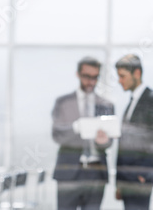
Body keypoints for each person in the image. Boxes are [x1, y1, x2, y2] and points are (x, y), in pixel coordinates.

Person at [52, 56, 114, 210]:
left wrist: (103, 141)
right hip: (68, 172)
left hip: (96, 173)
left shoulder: (106, 105)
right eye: (87, 77)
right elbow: (56, 134)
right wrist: (76, 127)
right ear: (78, 74)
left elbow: (110, 141)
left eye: (95, 77)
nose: (91, 82)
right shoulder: (63, 102)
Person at [115, 54, 153, 210]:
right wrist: (119, 183)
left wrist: (143, 175)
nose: (119, 81)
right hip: (126, 178)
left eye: (122, 76)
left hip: (140, 178)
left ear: (137, 73)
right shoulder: (130, 104)